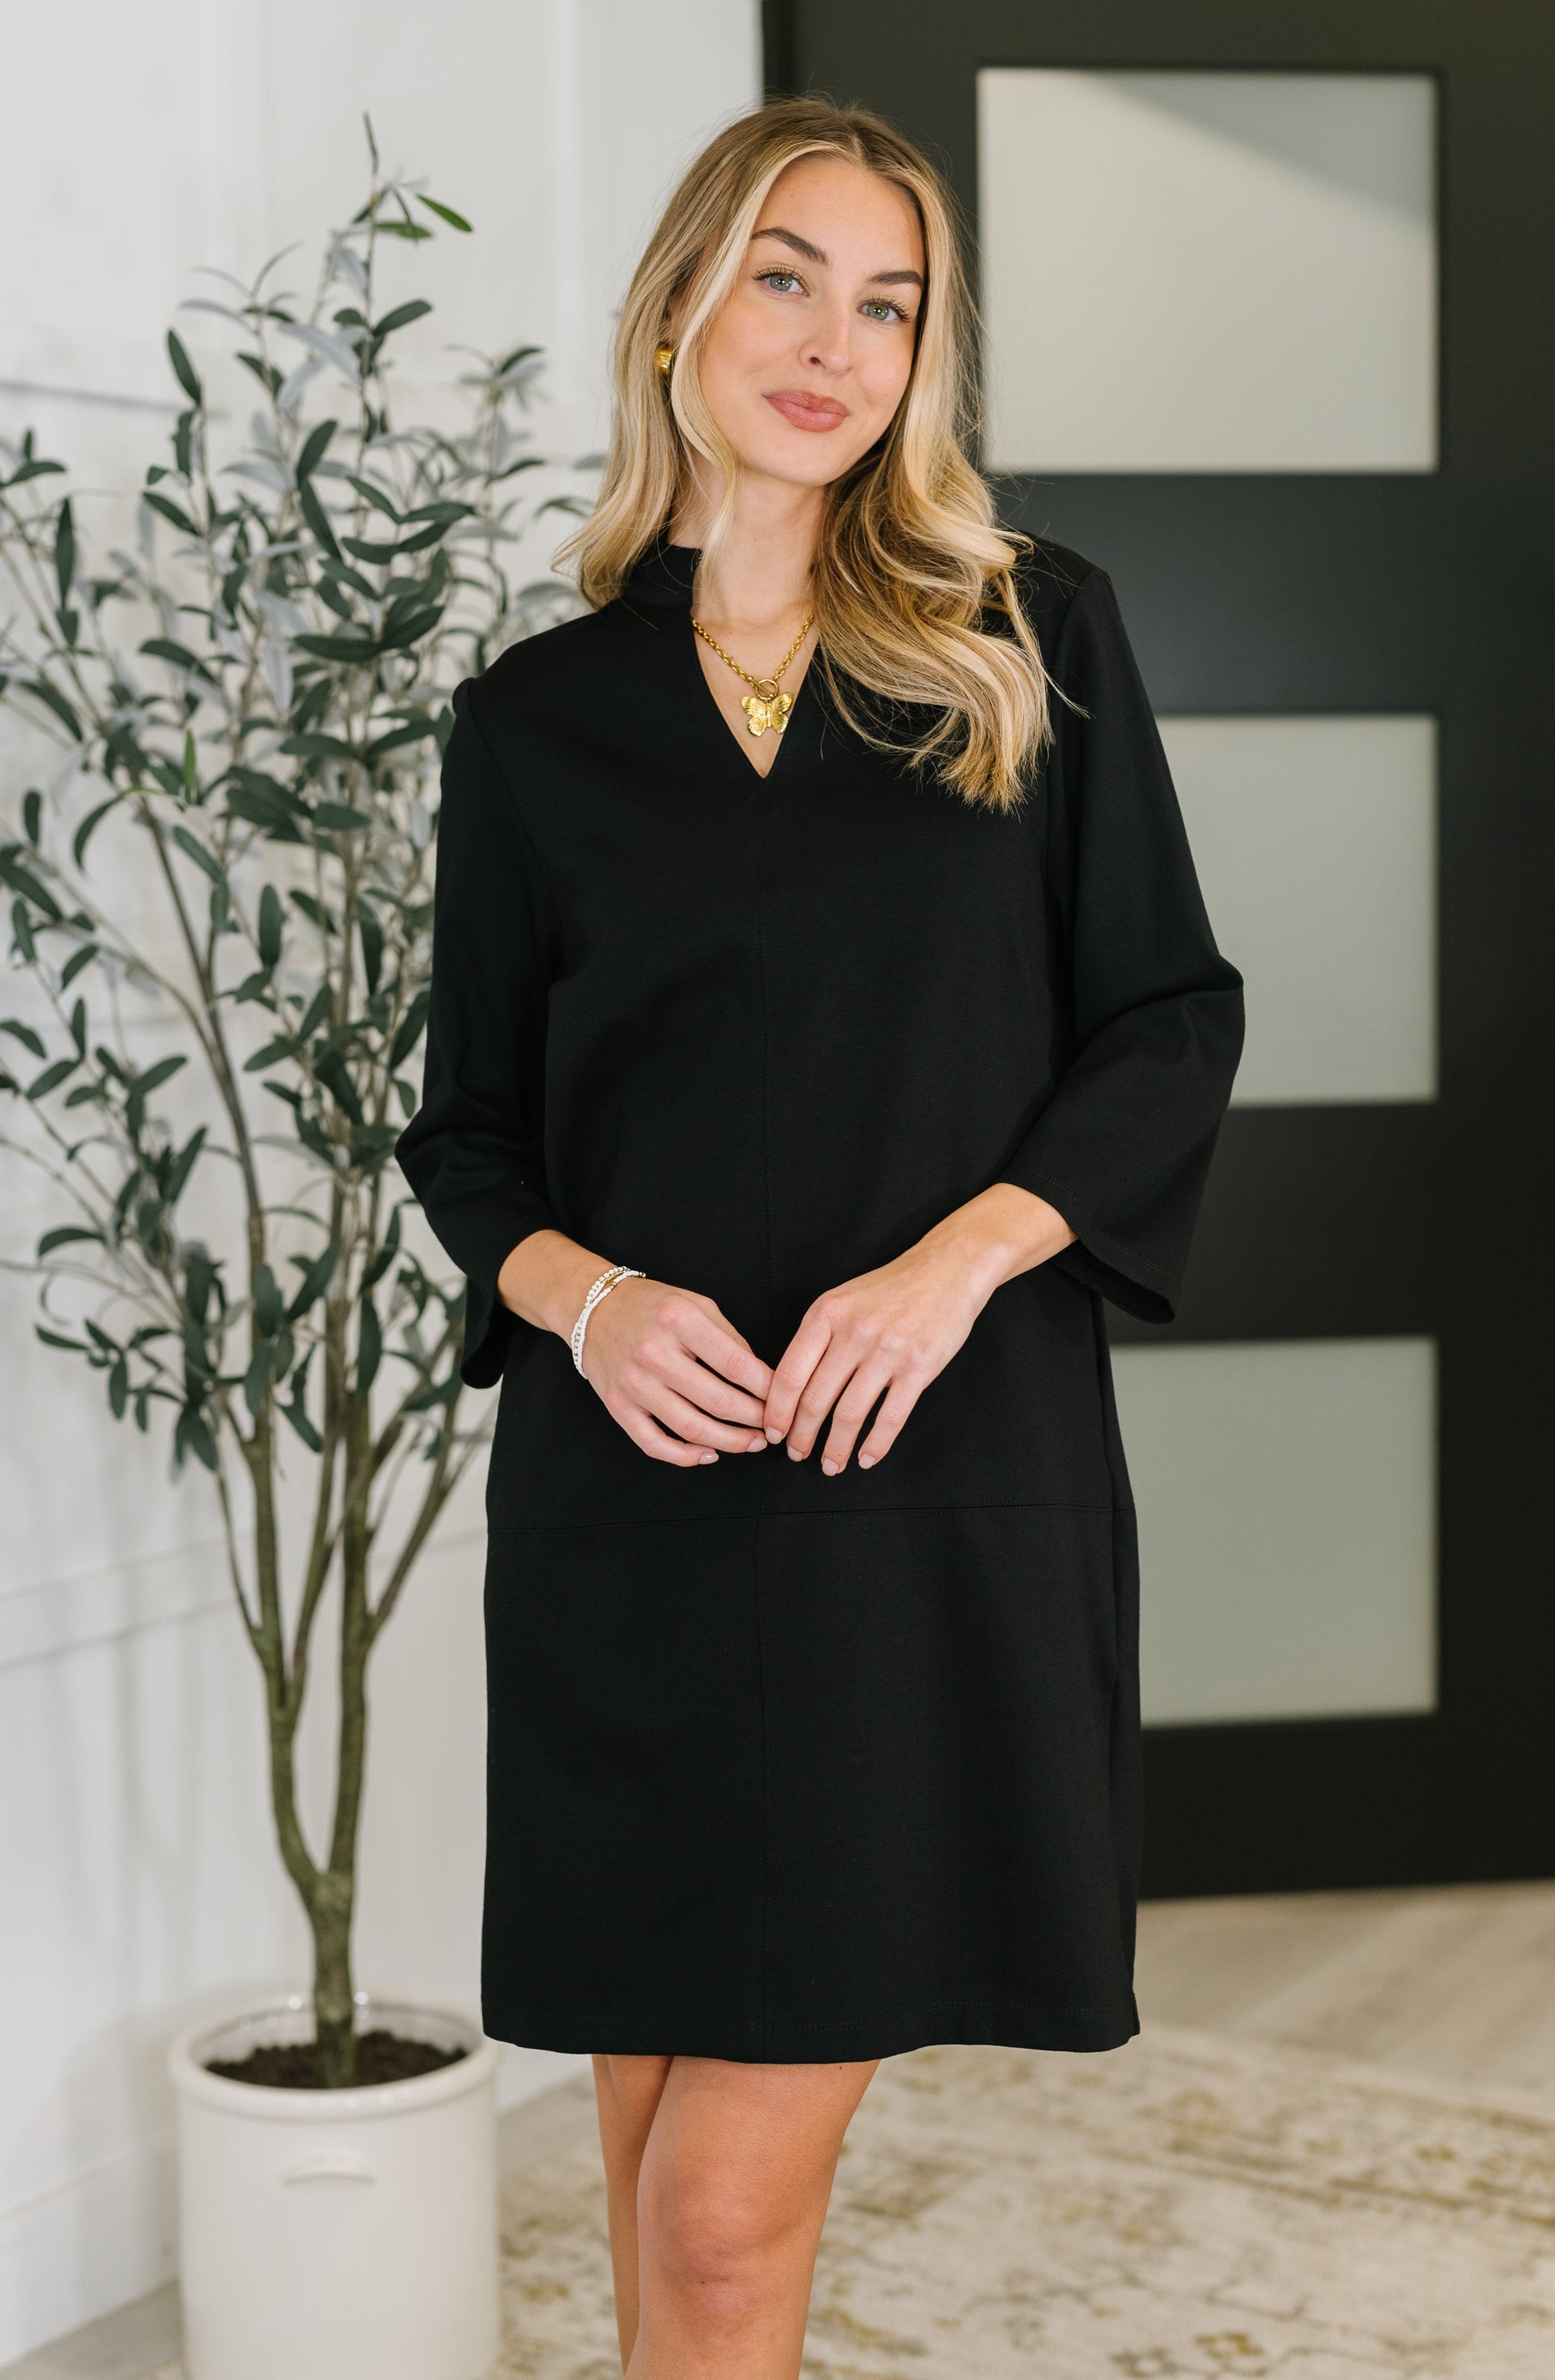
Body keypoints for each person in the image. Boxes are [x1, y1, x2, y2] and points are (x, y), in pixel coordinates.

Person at [395, 92, 1244, 2380]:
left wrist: (956, 1256)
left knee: (711, 2230)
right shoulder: (533, 722)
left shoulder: (1019, 630)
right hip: (635, 1518)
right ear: (679, 299)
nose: (835, 340)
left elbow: (1167, 1015)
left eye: (890, 303)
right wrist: (589, 1299)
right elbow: (468, 1137)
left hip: (921, 1498)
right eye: (788, 275)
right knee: (649, 2181)